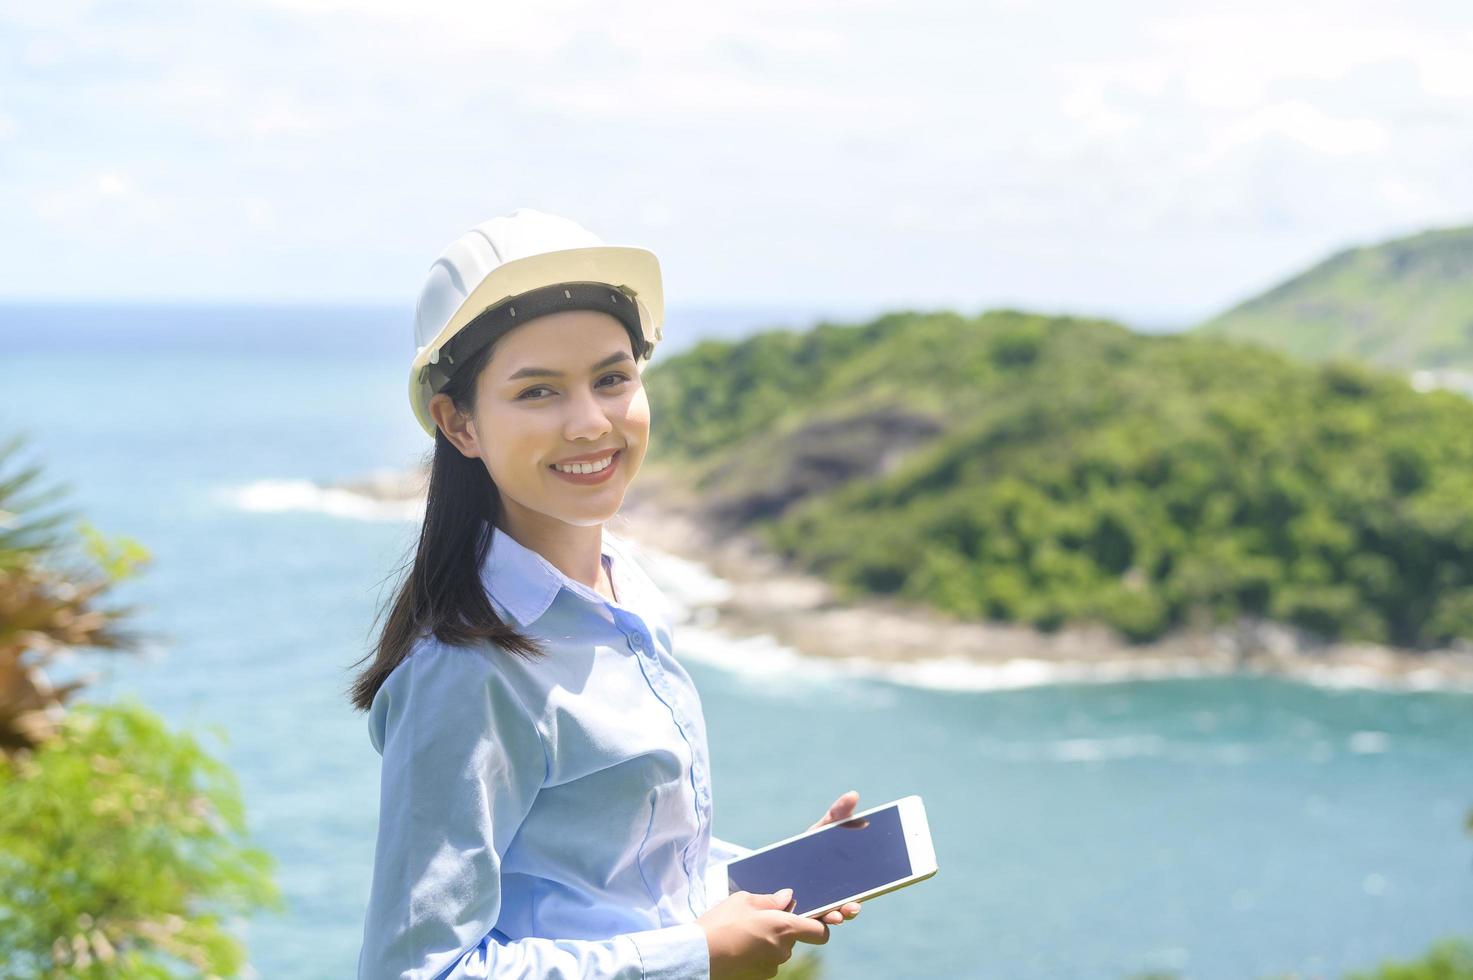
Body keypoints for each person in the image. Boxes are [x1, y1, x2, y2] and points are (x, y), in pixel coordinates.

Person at [348, 208, 863, 979]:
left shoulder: (627, 585)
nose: (590, 422)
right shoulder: (463, 671)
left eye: (612, 378)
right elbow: (420, 971)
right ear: (459, 424)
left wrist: (766, 889)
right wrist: (697, 957)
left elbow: (619, 880)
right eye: (537, 392)